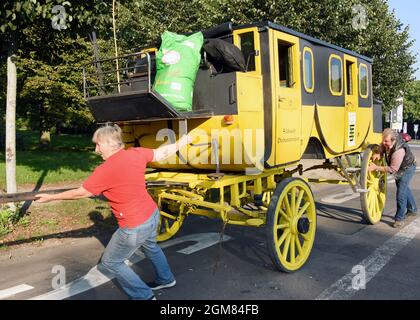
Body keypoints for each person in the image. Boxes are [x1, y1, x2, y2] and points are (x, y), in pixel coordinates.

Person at [36, 124, 191, 300]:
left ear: (110, 143)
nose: (96, 150)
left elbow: (82, 192)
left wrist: (51, 197)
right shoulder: (136, 153)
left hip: (134, 225)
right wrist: (183, 142)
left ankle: (144, 296)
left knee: (111, 262)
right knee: (151, 246)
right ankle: (166, 279)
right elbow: (161, 153)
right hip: (151, 214)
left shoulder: (106, 169)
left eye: (98, 145)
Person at [369, 128, 417, 228]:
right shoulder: (388, 142)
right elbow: (382, 146)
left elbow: (392, 169)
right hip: (399, 167)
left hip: (407, 168)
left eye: (386, 141)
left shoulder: (399, 151)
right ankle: (412, 209)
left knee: (400, 193)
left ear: (393, 140)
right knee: (404, 188)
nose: (383, 142)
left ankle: (399, 219)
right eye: (383, 140)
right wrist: (379, 153)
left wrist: (376, 167)